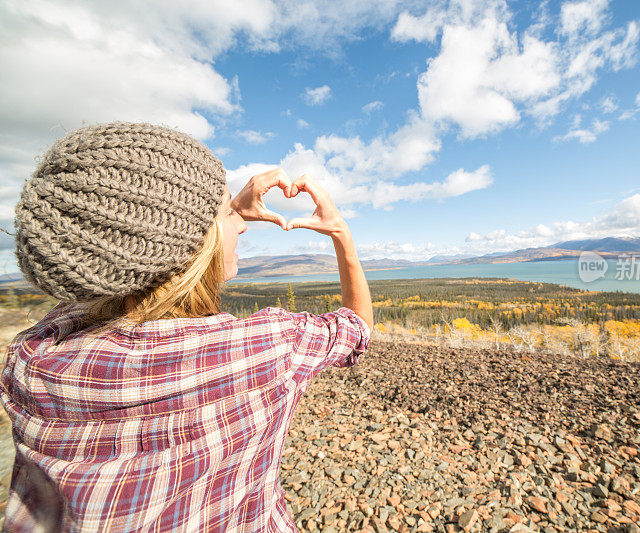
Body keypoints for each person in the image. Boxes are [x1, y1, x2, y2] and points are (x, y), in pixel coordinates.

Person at [1, 122, 373, 532]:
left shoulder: (32, 356)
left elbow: (103, 271)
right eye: (227, 214)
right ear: (192, 244)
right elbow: (356, 328)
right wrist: (341, 231)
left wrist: (220, 212)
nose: (242, 225)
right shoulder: (264, 351)